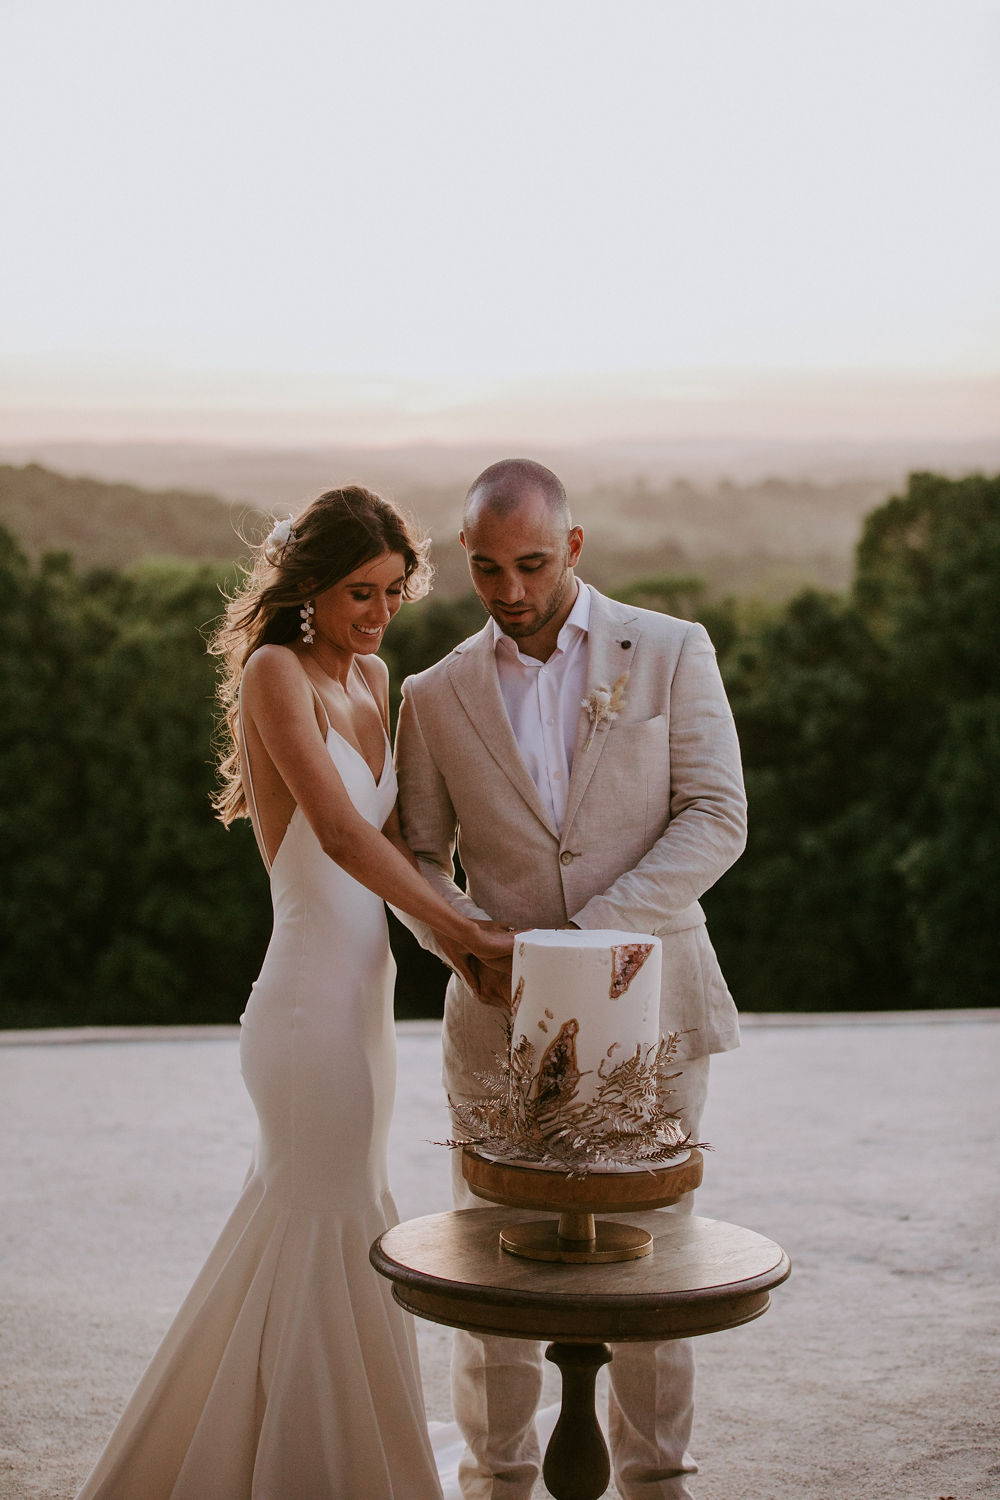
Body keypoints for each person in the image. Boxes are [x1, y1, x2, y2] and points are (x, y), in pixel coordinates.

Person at [76, 486, 513, 1500]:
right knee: (321, 1216)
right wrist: (462, 931)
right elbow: (343, 837)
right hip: (305, 1011)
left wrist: (459, 946)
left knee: (342, 1219)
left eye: (395, 593)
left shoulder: (373, 675)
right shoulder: (276, 673)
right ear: (308, 585)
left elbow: (405, 852)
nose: (378, 614)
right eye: (360, 592)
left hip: (363, 1014)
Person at [394, 459, 747, 1500]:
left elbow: (716, 816)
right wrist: (465, 943)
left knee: (657, 1256)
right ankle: (494, 1477)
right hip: (493, 1022)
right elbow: (415, 855)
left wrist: (583, 945)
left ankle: (654, 1476)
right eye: (486, 568)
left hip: (656, 1004)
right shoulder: (435, 692)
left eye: (532, 565)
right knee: (489, 1260)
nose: (509, 591)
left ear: (575, 549)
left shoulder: (672, 651)